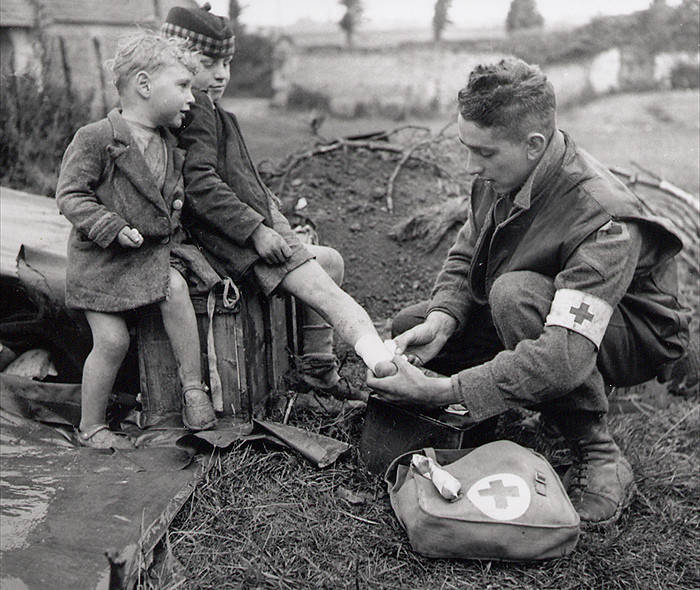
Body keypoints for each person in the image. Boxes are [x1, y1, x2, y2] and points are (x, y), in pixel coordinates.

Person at [368, 58, 690, 527]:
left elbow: (565, 356)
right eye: (466, 148)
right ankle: (486, 413)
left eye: (483, 153)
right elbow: (466, 256)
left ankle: (598, 453)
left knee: (514, 296)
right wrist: (443, 318)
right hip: (546, 310)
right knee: (412, 326)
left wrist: (442, 390)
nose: (471, 166)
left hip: (631, 333)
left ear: (534, 144)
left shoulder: (603, 218)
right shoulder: (500, 175)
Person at [161, 5, 397, 397]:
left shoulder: (209, 109)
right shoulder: (198, 109)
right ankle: (385, 367)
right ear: (178, 63)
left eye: (227, 63)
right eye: (208, 63)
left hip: (247, 235)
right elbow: (200, 184)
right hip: (236, 245)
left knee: (331, 263)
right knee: (333, 299)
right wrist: (256, 230)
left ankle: (318, 368)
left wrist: (271, 212)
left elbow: (231, 179)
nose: (221, 74)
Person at [56, 31, 221, 447]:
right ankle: (91, 426)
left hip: (147, 257)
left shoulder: (170, 145)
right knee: (113, 341)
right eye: (183, 86)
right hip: (103, 264)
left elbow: (168, 202)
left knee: (177, 289)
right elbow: (70, 194)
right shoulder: (96, 138)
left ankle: (192, 389)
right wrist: (109, 225)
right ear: (145, 85)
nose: (191, 97)